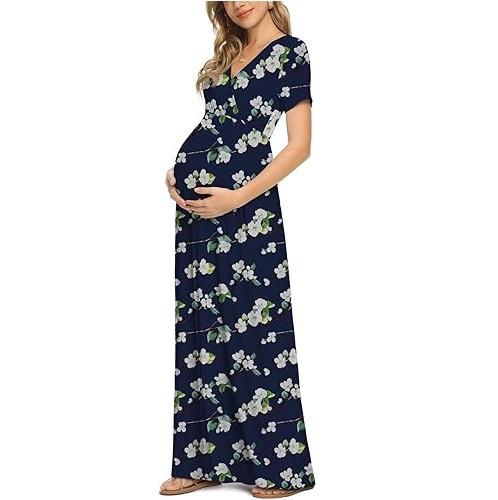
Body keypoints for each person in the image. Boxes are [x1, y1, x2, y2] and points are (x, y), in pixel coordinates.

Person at [160, 2, 315, 497]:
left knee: (258, 334)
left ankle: (280, 470)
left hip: (248, 211)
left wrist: (237, 197)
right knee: (201, 329)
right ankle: (202, 461)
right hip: (198, 214)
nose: (238, 1)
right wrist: (179, 172)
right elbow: (214, 129)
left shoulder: (289, 53)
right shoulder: (227, 56)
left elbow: (299, 146)